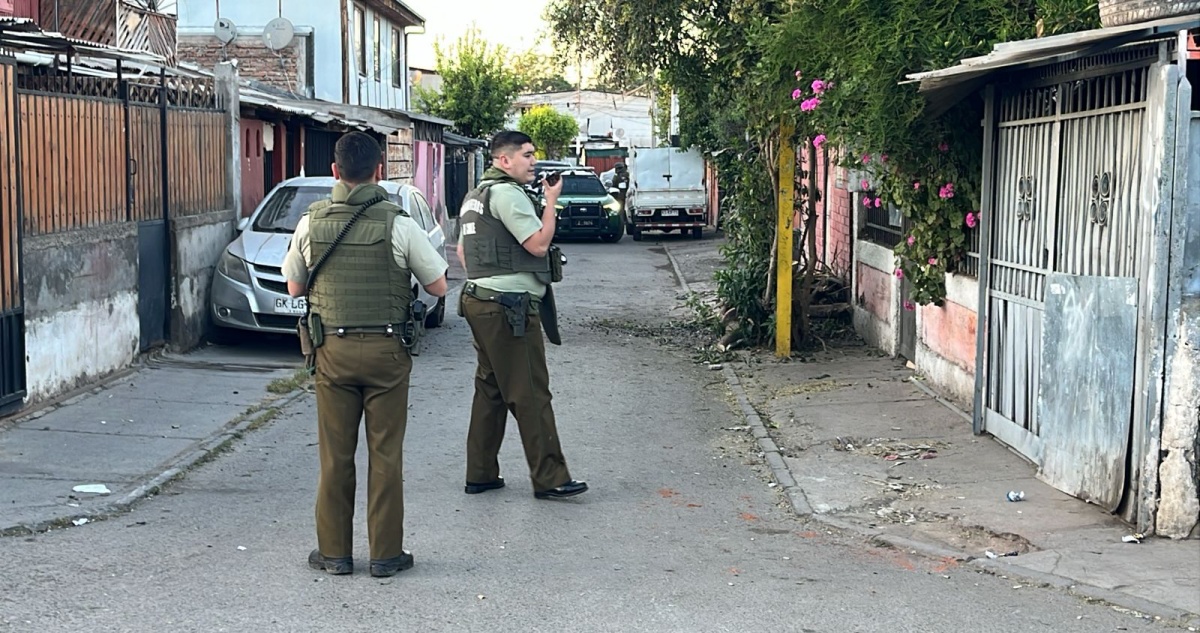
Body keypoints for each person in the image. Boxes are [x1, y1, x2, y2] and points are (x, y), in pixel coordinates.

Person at [283, 131, 448, 577]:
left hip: (331, 351)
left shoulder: (310, 223)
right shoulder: (399, 223)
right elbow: (438, 286)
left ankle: (334, 553)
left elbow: (295, 287)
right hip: (387, 351)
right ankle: (385, 555)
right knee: (386, 455)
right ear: (380, 170)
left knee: (335, 456)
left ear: (335, 171)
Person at [456, 130, 587, 500]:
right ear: (504, 160)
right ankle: (550, 477)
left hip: (479, 300)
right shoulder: (508, 195)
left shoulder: (474, 197)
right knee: (530, 391)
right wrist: (550, 202)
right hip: (509, 307)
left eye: (533, 154)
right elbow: (538, 243)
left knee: (491, 389)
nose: (533, 161)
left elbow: (465, 256)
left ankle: (480, 472)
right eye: (526, 155)